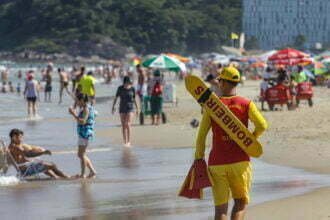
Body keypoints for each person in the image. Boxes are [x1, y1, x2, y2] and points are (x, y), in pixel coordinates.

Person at [194, 67, 268, 220]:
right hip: (240, 162)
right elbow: (262, 125)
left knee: (220, 209)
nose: (218, 83)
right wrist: (248, 141)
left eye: (220, 80)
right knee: (240, 203)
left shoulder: (212, 107)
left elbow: (201, 136)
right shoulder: (246, 103)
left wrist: (199, 158)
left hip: (216, 163)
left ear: (223, 83)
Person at [8, 129, 73, 179]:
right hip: (26, 170)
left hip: (25, 168)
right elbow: (28, 154)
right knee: (52, 165)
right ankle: (67, 177)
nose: (21, 139)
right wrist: (42, 153)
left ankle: (56, 177)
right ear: (14, 137)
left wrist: (36, 151)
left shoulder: (11, 146)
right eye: (20, 137)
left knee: (43, 164)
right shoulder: (15, 147)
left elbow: (24, 156)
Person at [69, 94, 97, 178]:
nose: (76, 102)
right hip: (85, 133)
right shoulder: (88, 107)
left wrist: (73, 114)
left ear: (82, 100)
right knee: (81, 154)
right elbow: (95, 115)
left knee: (81, 154)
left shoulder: (85, 109)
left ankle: (83, 174)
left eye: (77, 100)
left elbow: (83, 121)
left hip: (85, 133)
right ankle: (92, 171)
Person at [112, 76, 139, 146]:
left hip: (130, 108)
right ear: (125, 82)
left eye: (130, 82)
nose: (129, 83)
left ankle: (129, 141)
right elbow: (116, 98)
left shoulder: (132, 88)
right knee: (123, 125)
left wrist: (137, 108)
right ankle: (125, 141)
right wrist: (113, 106)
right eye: (128, 82)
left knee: (127, 123)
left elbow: (134, 99)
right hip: (122, 108)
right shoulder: (120, 88)